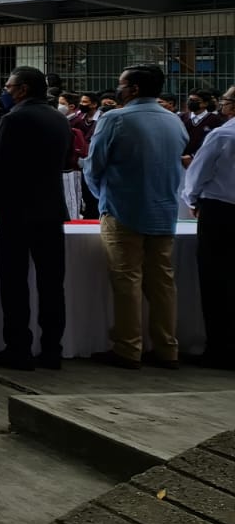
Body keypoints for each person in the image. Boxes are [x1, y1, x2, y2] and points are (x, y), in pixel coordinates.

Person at [83, 63, 187, 369]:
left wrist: (103, 197)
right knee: (163, 283)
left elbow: (94, 165)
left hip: (123, 209)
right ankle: (167, 348)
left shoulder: (115, 119)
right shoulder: (174, 121)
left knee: (127, 281)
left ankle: (129, 348)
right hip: (164, 211)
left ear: (134, 89)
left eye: (122, 84)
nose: (119, 89)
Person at [0, 66, 74, 371]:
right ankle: (51, 350)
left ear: (23, 89)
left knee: (15, 283)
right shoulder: (60, 118)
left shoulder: (14, 118)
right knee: (51, 283)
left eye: (9, 85)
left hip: (16, 210)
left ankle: (18, 347)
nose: (5, 90)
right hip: (51, 209)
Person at [183, 85, 235, 369]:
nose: (223, 104)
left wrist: (192, 199)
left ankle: (220, 349)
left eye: (226, 100)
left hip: (221, 212)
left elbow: (197, 173)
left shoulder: (222, 134)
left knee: (216, 281)